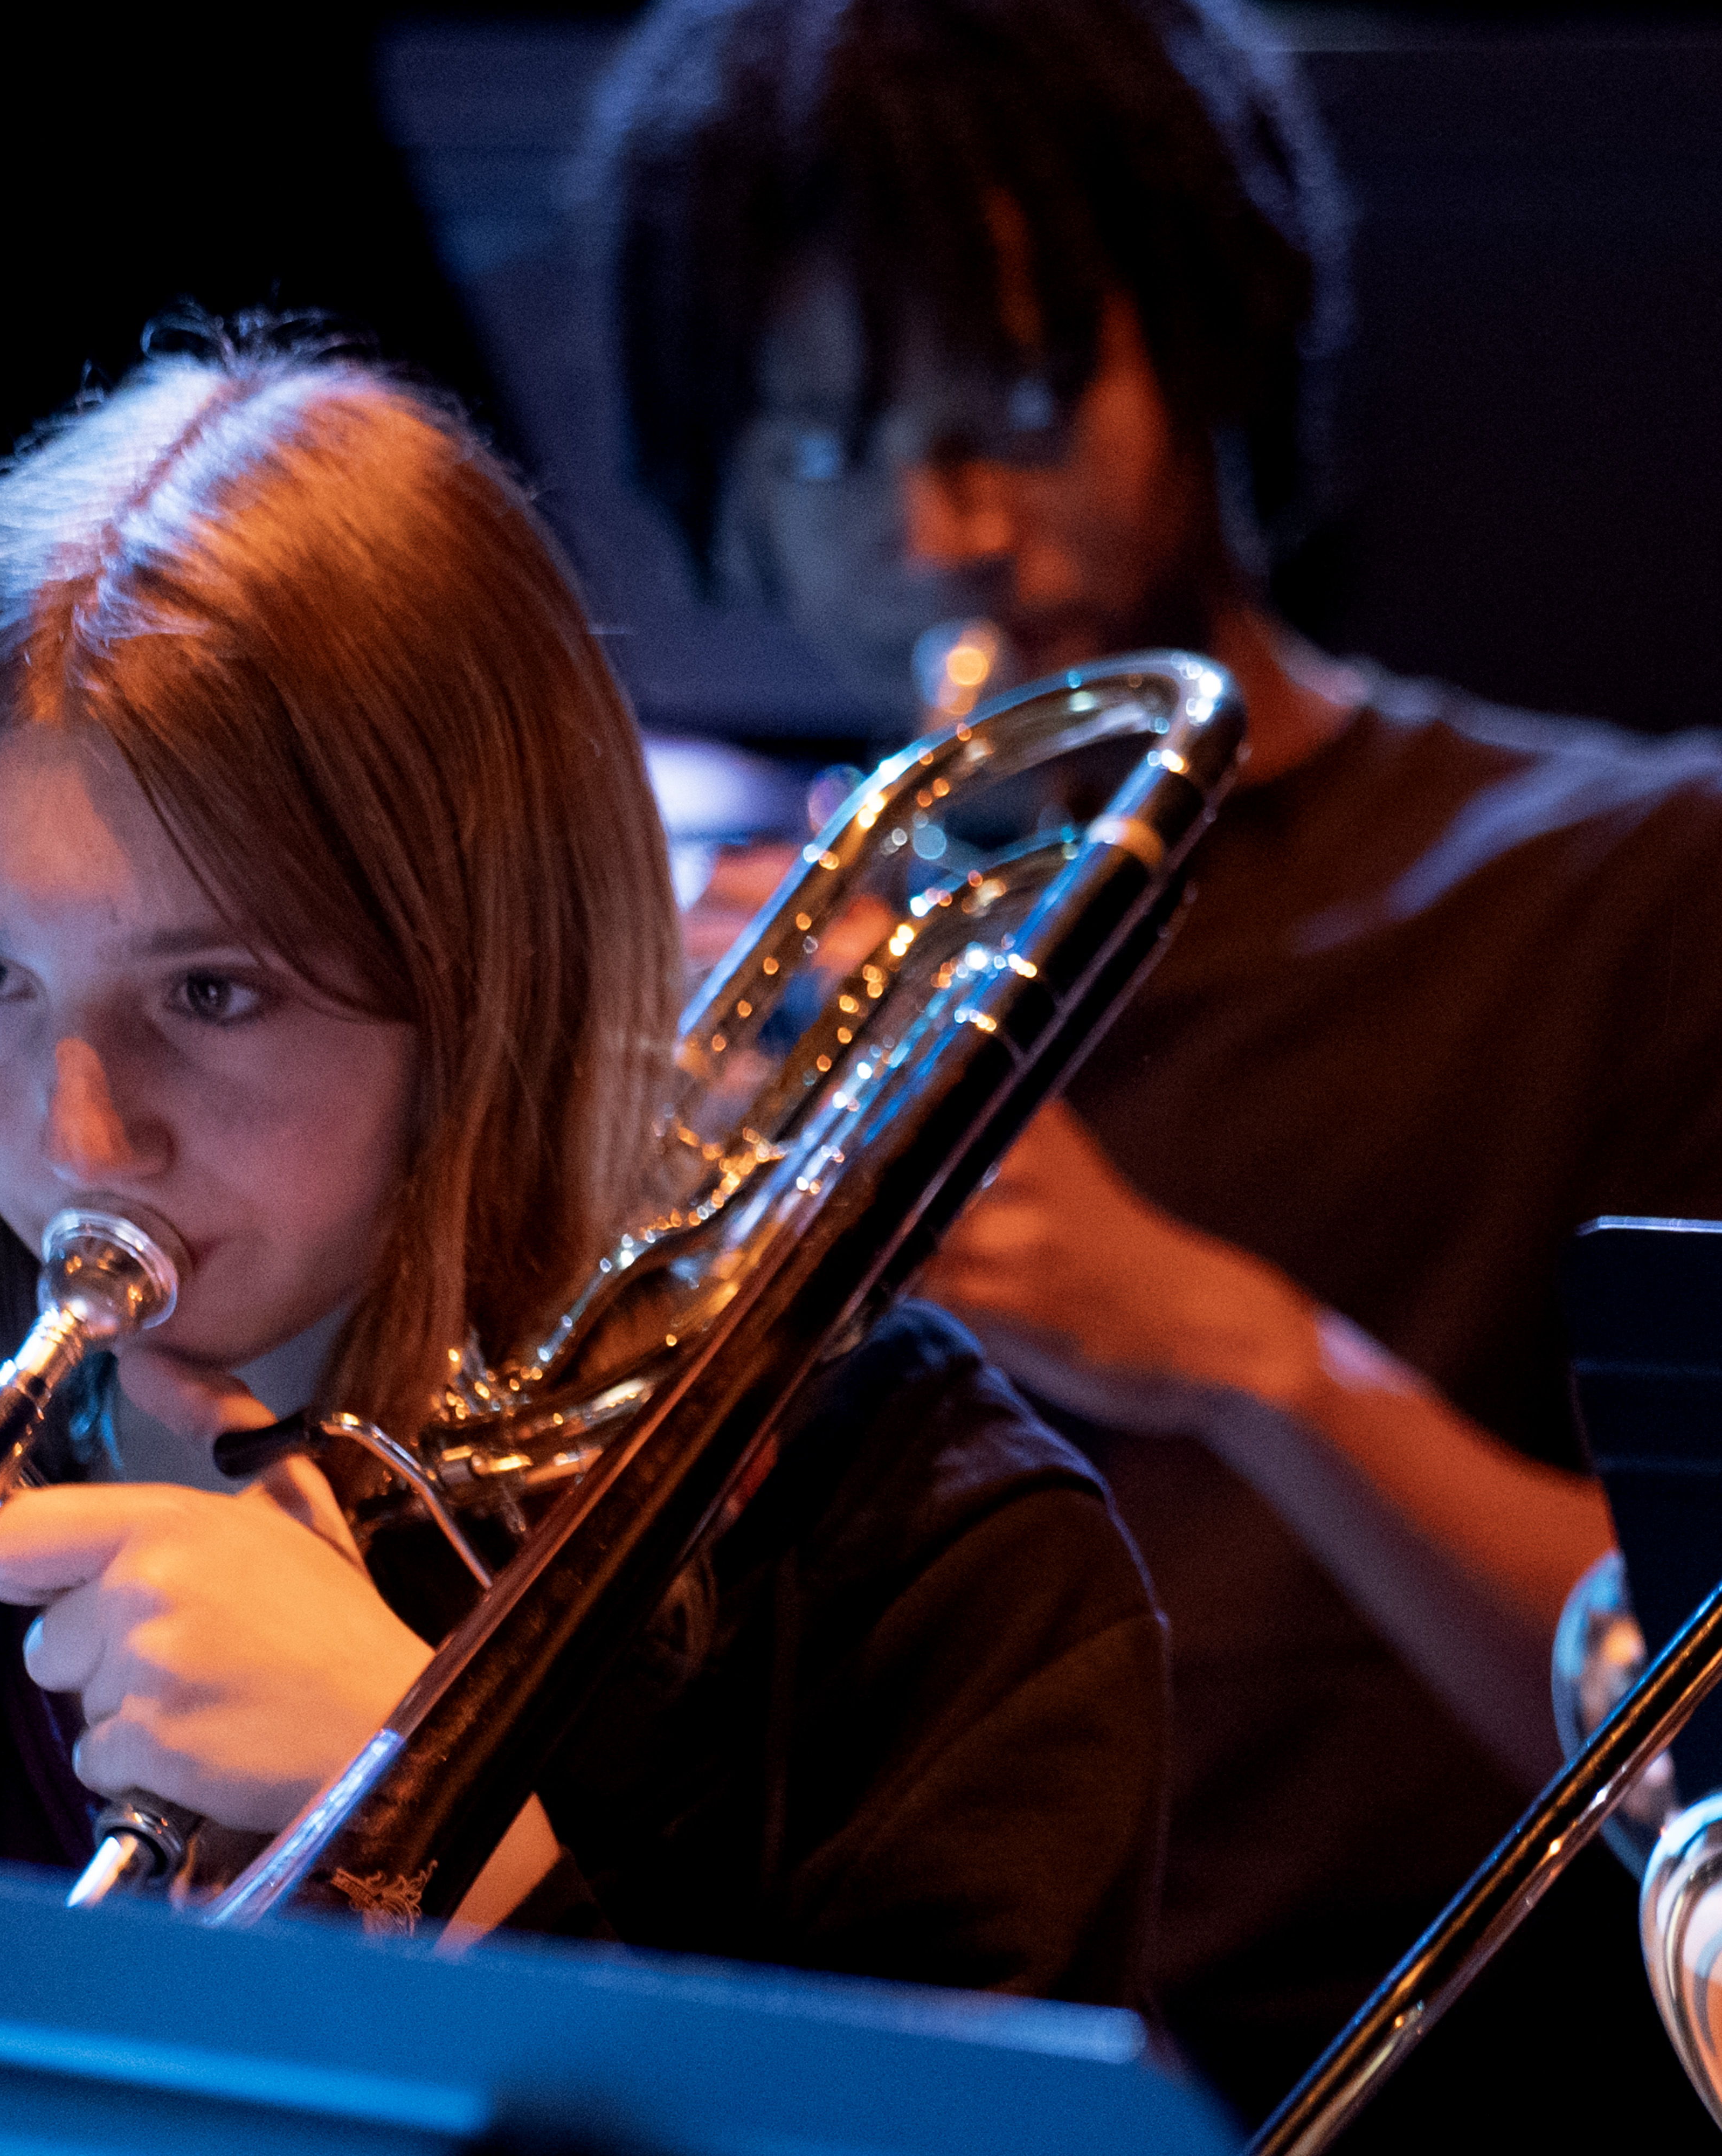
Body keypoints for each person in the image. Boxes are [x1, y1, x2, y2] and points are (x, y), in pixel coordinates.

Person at [0, 347, 1170, 2028]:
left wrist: (444, 1853)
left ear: (501, 991)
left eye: (212, 993)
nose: (85, 1139)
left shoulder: (939, 1581)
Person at [583, 0, 1722, 2136]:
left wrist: (1230, 1353)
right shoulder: (773, 960)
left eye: (1014, 410)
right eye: (822, 451)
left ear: (1205, 337)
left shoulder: (1635, 885)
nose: (939, 534)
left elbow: (1707, 1746)